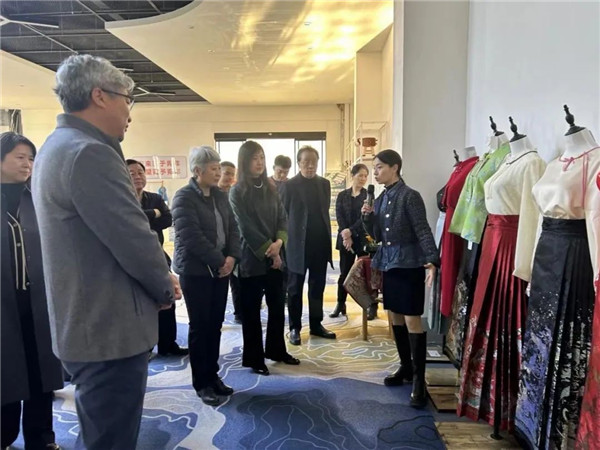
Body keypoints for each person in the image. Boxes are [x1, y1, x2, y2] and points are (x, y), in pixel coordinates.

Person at [32, 54, 182, 450]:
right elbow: (132, 236)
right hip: (107, 327)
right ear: (99, 96)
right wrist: (163, 286)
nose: (129, 112)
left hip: (85, 322)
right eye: (127, 99)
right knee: (110, 438)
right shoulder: (90, 152)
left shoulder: (56, 145)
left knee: (99, 431)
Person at [362, 149, 438, 408]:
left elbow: (422, 229)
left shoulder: (410, 196)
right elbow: (376, 234)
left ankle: (419, 380)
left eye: (379, 167)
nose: (375, 172)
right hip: (389, 262)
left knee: (411, 318)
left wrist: (433, 259)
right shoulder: (381, 198)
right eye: (374, 167)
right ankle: (405, 366)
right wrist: (366, 217)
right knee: (394, 314)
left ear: (395, 167)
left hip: (409, 263)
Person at [1, 132, 62, 450]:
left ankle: (41, 437)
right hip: (3, 307)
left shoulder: (37, 197)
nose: (27, 164)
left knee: (41, 373)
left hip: (38, 303)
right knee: (6, 373)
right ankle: (4, 435)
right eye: (19, 157)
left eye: (31, 158)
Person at [171, 146, 241, 406]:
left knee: (215, 325)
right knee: (200, 327)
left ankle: (213, 376)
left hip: (221, 270)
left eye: (219, 167)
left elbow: (234, 228)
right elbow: (191, 237)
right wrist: (220, 260)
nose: (218, 172)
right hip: (196, 272)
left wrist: (232, 257)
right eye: (213, 168)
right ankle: (202, 383)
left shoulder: (221, 196)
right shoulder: (183, 197)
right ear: (197, 170)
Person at [229, 141, 300, 375]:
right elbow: (245, 227)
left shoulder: (271, 187)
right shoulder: (237, 191)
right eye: (254, 158)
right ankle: (255, 359)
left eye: (261, 157)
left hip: (275, 257)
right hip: (251, 260)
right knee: (251, 313)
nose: (259, 162)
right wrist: (271, 250)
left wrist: (279, 244)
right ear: (245, 161)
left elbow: (283, 218)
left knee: (277, 308)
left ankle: (277, 350)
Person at [126, 159, 188, 357]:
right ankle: (144, 348)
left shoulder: (154, 197)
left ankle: (168, 344)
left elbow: (167, 219)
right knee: (141, 304)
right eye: (132, 173)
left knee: (167, 296)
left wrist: (144, 218)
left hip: (157, 254)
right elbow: (127, 223)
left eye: (140, 172)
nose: (137, 176)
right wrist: (153, 213)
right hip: (131, 259)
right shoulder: (122, 199)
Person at [280, 146, 336, 345]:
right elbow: (282, 216)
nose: (310, 166)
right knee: (294, 289)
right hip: (297, 246)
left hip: (319, 244)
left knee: (317, 286)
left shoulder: (324, 184)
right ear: (299, 163)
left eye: (314, 162)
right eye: (306, 162)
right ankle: (295, 327)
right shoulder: (289, 186)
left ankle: (316, 324)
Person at [330, 163, 369, 318]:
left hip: (362, 240)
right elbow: (339, 216)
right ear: (352, 176)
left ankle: (370, 305)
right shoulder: (342, 195)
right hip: (345, 240)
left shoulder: (368, 196)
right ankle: (340, 303)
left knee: (365, 273)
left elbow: (364, 218)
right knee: (344, 273)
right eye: (360, 175)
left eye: (365, 176)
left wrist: (350, 231)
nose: (363, 179)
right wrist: (346, 235)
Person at [217, 161, 242, 324]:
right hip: (217, 248)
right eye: (226, 173)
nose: (229, 177)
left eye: (232, 174)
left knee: (236, 280)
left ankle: (239, 312)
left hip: (234, 245)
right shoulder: (212, 195)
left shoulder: (234, 194)